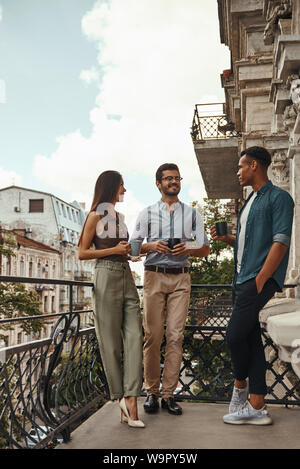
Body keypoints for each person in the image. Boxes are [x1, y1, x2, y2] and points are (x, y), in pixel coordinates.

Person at [211, 146, 294, 425]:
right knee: (249, 338)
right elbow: (250, 245)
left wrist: (260, 280)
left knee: (233, 335)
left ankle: (240, 388)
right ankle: (257, 405)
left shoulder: (279, 198)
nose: (238, 172)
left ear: (255, 166)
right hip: (241, 278)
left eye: (241, 166)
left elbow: (280, 242)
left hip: (256, 280)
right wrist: (230, 240)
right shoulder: (249, 202)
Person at [131, 163, 210, 416]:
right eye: (168, 179)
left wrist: (188, 249)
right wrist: (151, 246)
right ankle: (151, 392)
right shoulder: (146, 213)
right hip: (154, 277)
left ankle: (168, 395)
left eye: (177, 178)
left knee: (175, 336)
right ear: (158, 183)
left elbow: (205, 248)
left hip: (181, 280)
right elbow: (133, 248)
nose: (173, 182)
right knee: (153, 337)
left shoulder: (193, 214)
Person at [78, 170, 144, 428]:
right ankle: (123, 400)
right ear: (111, 187)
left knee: (135, 337)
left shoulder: (118, 217)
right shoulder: (95, 215)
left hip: (126, 275)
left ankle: (131, 397)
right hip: (105, 276)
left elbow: (119, 249)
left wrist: (129, 255)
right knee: (110, 343)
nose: (125, 190)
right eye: (122, 186)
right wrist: (115, 250)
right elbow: (82, 253)